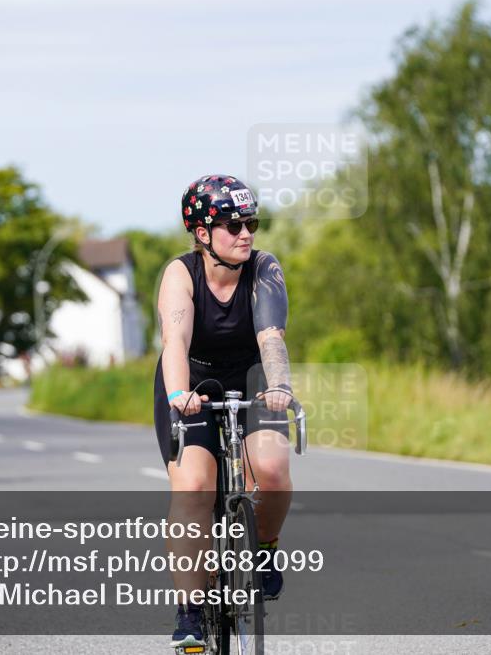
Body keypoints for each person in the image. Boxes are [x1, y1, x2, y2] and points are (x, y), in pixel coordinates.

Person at [155, 175, 294, 649]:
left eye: (251, 222)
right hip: (191, 381)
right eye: (233, 225)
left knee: (272, 471)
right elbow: (175, 341)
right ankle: (191, 613)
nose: (246, 233)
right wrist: (179, 397)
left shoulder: (264, 268)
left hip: (252, 376)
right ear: (201, 233)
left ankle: (265, 551)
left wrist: (279, 386)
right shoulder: (181, 274)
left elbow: (271, 337)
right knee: (194, 487)